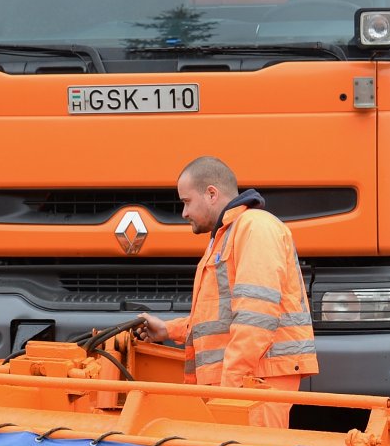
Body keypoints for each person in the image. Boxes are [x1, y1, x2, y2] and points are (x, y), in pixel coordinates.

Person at [137, 156, 319, 428]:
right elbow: (222, 319)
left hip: (254, 383)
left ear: (211, 193)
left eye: (186, 202)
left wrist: (229, 389)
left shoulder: (253, 227)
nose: (183, 213)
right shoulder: (228, 235)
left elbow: (255, 318)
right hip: (249, 381)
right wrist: (168, 330)